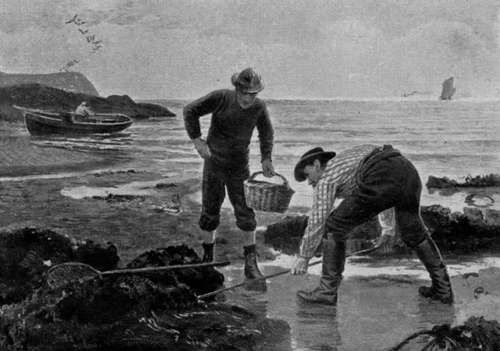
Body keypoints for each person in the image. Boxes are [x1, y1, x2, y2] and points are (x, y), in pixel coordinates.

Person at [290, 144, 453, 305]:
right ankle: (443, 289)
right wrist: (388, 231)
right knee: (413, 231)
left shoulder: (327, 176)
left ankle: (326, 292)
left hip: (383, 174)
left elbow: (318, 219)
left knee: (334, 225)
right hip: (407, 170)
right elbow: (384, 190)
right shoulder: (348, 162)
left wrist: (304, 257)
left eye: (308, 175)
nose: (310, 182)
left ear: (317, 164)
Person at [183, 67, 275, 285]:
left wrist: (266, 158)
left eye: (253, 94)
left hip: (239, 167)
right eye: (245, 93)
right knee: (210, 212)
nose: (248, 98)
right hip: (214, 163)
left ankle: (250, 264)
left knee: (245, 213)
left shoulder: (259, 107)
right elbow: (189, 111)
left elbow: (267, 133)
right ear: (237, 89)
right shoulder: (221, 97)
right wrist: (197, 141)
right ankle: (207, 259)